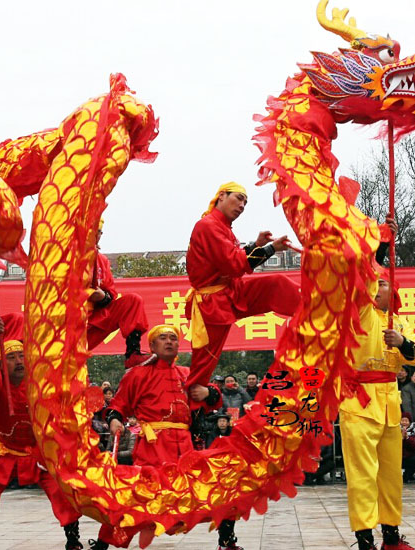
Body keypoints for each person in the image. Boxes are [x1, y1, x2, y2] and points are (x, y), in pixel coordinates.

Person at [92, 325, 236, 550]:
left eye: (173, 338)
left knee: (217, 490)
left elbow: (214, 397)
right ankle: (102, 545)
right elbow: (117, 405)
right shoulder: (137, 374)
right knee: (136, 502)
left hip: (186, 451)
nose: (169, 342)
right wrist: (114, 420)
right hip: (152, 449)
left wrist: (208, 393)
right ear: (151, 346)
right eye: (163, 338)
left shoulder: (187, 374)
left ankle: (227, 542)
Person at [0, 316, 83, 550]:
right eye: (11, 357)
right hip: (5, 452)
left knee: (64, 492)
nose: (18, 361)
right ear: (0, 365)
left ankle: (72, 538)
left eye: (21, 356)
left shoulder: (41, 384)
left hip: (40, 453)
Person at [339, 218, 415, 550]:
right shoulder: (358, 312)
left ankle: (391, 534)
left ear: (395, 292)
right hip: (358, 402)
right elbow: (363, 272)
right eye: (376, 283)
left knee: (391, 475)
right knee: (361, 475)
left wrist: (401, 341)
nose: (379, 287)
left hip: (390, 404)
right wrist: (384, 243)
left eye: (385, 284)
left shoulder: (398, 322)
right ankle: (364, 538)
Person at [184, 182, 300, 401]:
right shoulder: (207, 225)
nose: (242, 205)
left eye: (245, 202)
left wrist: (256, 244)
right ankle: (193, 409)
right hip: (213, 301)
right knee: (204, 364)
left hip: (230, 291)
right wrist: (270, 249)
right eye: (238, 198)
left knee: (276, 284)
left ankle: (315, 310)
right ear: (221, 197)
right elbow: (234, 264)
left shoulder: (223, 228)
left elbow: (233, 257)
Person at [86, 219, 150, 365]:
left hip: (95, 322)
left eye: (98, 232)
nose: (95, 236)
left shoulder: (102, 260)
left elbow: (111, 294)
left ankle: (133, 353)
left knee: (133, 301)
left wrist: (102, 297)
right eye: (91, 232)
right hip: (67, 325)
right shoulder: (66, 256)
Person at [399, 413, 415, 484]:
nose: (404, 423)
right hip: (397, 456)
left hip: (408, 456)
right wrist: (401, 438)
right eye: (402, 420)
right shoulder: (394, 430)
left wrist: (407, 438)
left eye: (406, 421)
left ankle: (406, 477)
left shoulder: (413, 431)